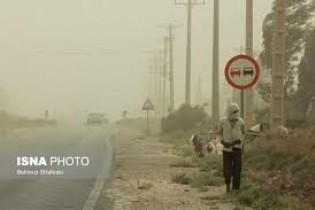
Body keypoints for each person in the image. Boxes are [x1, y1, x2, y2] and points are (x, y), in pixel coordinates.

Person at [218, 103, 246, 194]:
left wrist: (240, 141)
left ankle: (236, 189)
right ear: (229, 112)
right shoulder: (222, 121)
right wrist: (223, 142)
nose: (235, 113)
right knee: (227, 170)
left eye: (237, 111)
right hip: (227, 150)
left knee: (237, 170)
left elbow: (244, 133)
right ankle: (227, 185)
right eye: (233, 111)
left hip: (237, 149)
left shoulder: (241, 121)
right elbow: (219, 133)